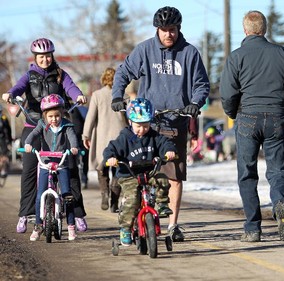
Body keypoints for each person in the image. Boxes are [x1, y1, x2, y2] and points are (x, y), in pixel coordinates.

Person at [110, 6, 210, 242]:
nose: (168, 34)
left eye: (172, 30)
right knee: (139, 173)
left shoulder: (190, 53)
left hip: (176, 122)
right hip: (147, 123)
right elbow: (123, 72)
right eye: (164, 30)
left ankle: (173, 225)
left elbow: (201, 84)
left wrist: (195, 103)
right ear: (157, 29)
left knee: (174, 175)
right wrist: (117, 95)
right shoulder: (144, 50)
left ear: (179, 29)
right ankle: (135, 215)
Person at [220, 11, 284, 242]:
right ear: (264, 29)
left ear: (245, 30)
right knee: (278, 171)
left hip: (247, 117)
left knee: (247, 174)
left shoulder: (236, 57)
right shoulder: (283, 54)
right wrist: (282, 110)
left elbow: (227, 94)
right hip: (276, 117)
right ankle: (280, 203)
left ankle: (253, 228)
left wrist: (232, 113)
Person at [2, 38, 88, 233]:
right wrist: (10, 93)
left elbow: (71, 87)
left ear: (52, 55)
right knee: (29, 172)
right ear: (35, 57)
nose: (45, 59)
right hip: (34, 126)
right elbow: (17, 88)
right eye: (41, 56)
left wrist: (78, 95)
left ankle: (78, 214)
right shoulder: (29, 75)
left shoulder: (60, 74)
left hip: (59, 127)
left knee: (71, 167)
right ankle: (25, 214)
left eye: (48, 55)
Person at [103, 98, 177, 246]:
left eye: (145, 125)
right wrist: (111, 157)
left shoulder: (153, 136)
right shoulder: (125, 137)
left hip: (149, 173)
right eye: (138, 126)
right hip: (129, 175)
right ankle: (125, 228)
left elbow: (165, 142)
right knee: (131, 200)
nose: (142, 129)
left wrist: (169, 151)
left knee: (162, 179)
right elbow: (112, 148)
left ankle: (162, 204)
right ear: (130, 122)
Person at [24, 94, 78, 241]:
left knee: (67, 195)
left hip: (61, 163)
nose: (54, 119)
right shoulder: (42, 124)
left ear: (61, 114)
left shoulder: (67, 125)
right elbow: (33, 134)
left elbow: (72, 137)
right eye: (50, 116)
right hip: (44, 162)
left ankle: (72, 226)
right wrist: (28, 144)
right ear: (45, 116)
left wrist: (73, 147)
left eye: (57, 116)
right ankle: (38, 225)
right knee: (40, 195)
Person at [82, 67, 128, 212]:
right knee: (118, 168)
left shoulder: (97, 95)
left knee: (102, 167)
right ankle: (114, 199)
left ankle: (104, 194)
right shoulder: (123, 95)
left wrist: (86, 135)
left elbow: (90, 117)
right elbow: (127, 118)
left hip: (102, 136)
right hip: (120, 137)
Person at [0, 104, 12, 180]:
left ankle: (3, 169)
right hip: (3, 139)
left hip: (3, 139)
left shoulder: (4, 118)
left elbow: (8, 129)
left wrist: (9, 141)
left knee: (4, 156)